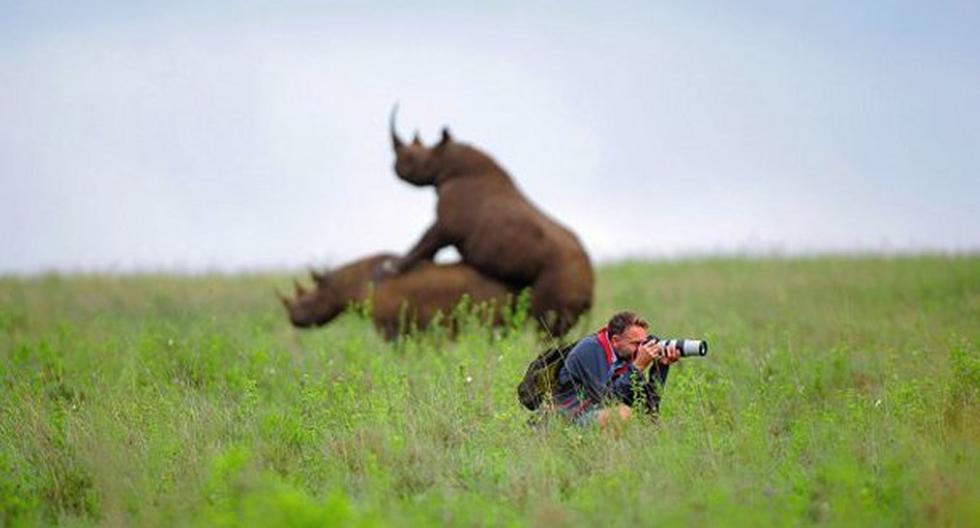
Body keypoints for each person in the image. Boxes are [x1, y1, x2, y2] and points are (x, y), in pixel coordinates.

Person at [552, 310, 680, 428]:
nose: (641, 348)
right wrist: (637, 367)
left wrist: (660, 367)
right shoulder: (590, 350)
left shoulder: (625, 356)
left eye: (643, 343)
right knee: (622, 414)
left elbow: (648, 409)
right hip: (567, 418)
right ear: (615, 341)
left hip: (592, 413)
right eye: (635, 343)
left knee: (651, 423)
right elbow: (606, 399)